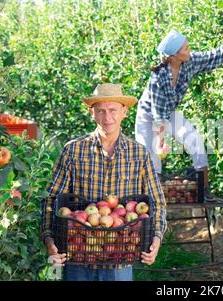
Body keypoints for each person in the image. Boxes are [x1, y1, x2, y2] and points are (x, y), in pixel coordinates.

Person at [41, 83, 167, 281]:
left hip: (119, 258)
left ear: (124, 112)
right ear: (92, 113)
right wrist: (49, 240)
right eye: (100, 111)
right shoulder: (73, 150)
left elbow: (157, 201)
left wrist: (156, 239)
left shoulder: (139, 154)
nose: (107, 118)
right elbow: (51, 199)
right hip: (78, 255)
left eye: (113, 110)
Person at [135, 29, 223, 196]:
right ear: (173, 56)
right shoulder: (158, 78)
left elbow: (217, 54)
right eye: (185, 48)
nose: (189, 50)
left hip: (169, 112)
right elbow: (158, 116)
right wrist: (160, 142)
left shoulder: (189, 61)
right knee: (151, 157)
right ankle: (153, 198)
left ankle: (204, 191)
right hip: (148, 117)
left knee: (195, 142)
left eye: (188, 46)